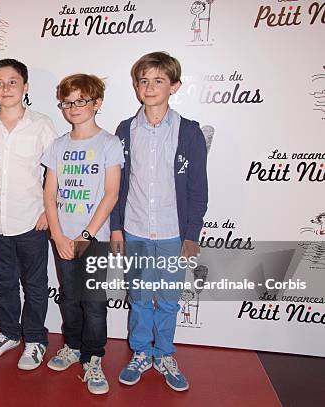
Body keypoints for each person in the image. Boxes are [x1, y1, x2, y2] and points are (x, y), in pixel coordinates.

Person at [111, 51, 208, 392]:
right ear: (136, 87)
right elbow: (117, 186)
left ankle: (164, 353)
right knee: (138, 297)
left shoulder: (190, 133)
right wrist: (116, 227)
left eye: (158, 81)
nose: (150, 87)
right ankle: (140, 353)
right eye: (144, 81)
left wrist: (192, 234)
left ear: (175, 86)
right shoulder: (125, 131)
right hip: (135, 230)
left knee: (167, 299)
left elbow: (198, 190)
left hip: (172, 233)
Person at [42, 74, 123, 395]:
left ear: (97, 103)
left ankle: (94, 356)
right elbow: (49, 194)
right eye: (67, 102)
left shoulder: (109, 143)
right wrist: (59, 235)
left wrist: (87, 235)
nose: (73, 108)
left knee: (93, 302)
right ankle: (73, 346)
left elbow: (112, 193)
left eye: (81, 101)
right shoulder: (58, 146)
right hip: (62, 237)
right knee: (70, 297)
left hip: (94, 240)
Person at [0, 59, 57, 370]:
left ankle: (35, 339)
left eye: (13, 82)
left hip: (32, 221)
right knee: (5, 283)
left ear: (25, 87)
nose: (6, 88)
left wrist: (48, 212)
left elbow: (56, 170)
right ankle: (9, 332)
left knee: (35, 285)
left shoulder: (42, 124)